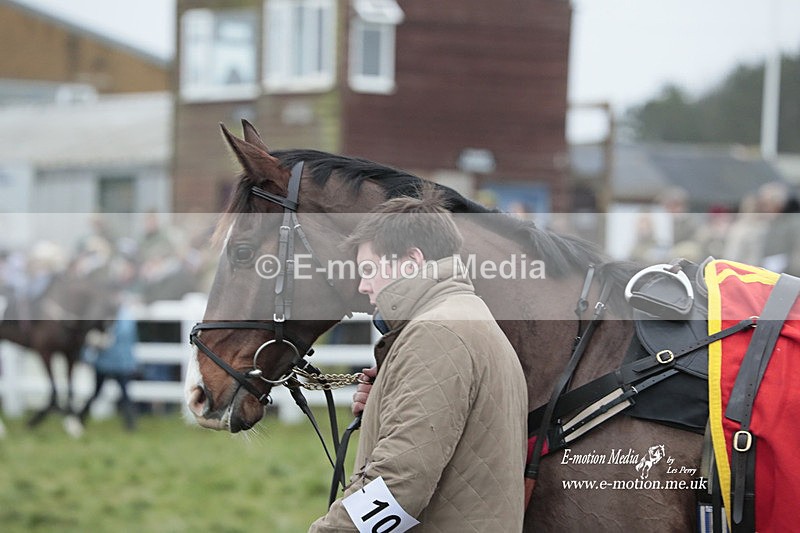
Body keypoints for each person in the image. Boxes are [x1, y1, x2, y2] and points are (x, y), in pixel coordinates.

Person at [309, 190, 528, 532]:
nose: (364, 286)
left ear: (411, 261)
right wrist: (385, 404)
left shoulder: (437, 334)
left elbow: (400, 483)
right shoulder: (467, 315)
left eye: (369, 269)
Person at [78, 296, 139, 431]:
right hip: (108, 363)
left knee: (122, 394)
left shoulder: (124, 316)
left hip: (117, 362)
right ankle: (80, 417)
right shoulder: (115, 314)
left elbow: (119, 336)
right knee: (102, 392)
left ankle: (130, 424)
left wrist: (102, 341)